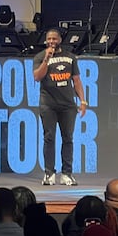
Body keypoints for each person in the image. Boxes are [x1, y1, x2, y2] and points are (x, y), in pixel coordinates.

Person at [33, 28, 87, 186]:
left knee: (68, 138)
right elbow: (37, 77)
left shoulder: (70, 57)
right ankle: (49, 173)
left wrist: (83, 101)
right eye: (49, 39)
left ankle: (66, 174)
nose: (51, 41)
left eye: (54, 39)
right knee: (49, 138)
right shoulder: (40, 57)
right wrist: (46, 59)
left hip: (68, 105)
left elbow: (76, 81)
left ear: (60, 40)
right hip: (48, 104)